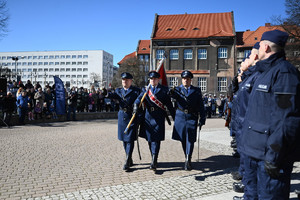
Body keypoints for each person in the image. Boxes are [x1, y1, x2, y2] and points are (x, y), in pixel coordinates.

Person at [237, 30, 300, 200]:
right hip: (252, 154)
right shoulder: (262, 73)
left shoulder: (284, 73)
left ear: (265, 47)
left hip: (268, 158)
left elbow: (287, 120)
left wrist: (274, 157)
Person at [231, 42, 260, 195]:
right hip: (242, 124)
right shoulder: (247, 78)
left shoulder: (256, 77)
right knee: (245, 159)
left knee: (250, 161)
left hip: (247, 126)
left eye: (245, 60)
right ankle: (246, 185)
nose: (242, 62)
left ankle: (248, 187)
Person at [134, 71, 175, 171]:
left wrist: (175, 117)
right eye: (151, 79)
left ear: (158, 79)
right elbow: (138, 99)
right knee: (149, 139)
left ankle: (154, 160)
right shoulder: (146, 89)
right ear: (149, 80)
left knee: (156, 140)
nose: (153, 80)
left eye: (155, 79)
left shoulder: (164, 89)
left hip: (159, 117)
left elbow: (169, 105)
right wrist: (135, 105)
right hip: (148, 117)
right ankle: (153, 156)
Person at [169, 70, 206, 170]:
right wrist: (171, 93)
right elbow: (172, 97)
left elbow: (201, 106)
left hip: (191, 117)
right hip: (180, 116)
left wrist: (202, 118)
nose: (186, 81)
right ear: (182, 79)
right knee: (183, 139)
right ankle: (186, 155)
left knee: (190, 139)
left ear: (191, 80)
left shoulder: (197, 90)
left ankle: (188, 159)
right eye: (184, 79)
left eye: (188, 79)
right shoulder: (177, 90)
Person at [107, 72, 141, 171]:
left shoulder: (136, 91)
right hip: (122, 116)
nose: (124, 82)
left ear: (131, 81)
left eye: (126, 80)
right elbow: (112, 95)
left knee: (130, 139)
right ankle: (129, 157)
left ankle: (127, 160)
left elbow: (140, 99)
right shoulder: (118, 91)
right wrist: (106, 93)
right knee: (124, 139)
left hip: (132, 116)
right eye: (123, 80)